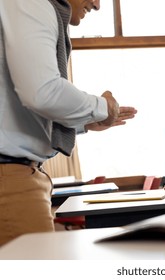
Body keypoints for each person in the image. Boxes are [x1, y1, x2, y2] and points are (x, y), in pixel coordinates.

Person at [0, 0, 137, 246]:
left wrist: (83, 122)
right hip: (9, 178)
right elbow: (42, 92)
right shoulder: (34, 3)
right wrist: (102, 107)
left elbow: (12, 109)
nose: (96, 5)